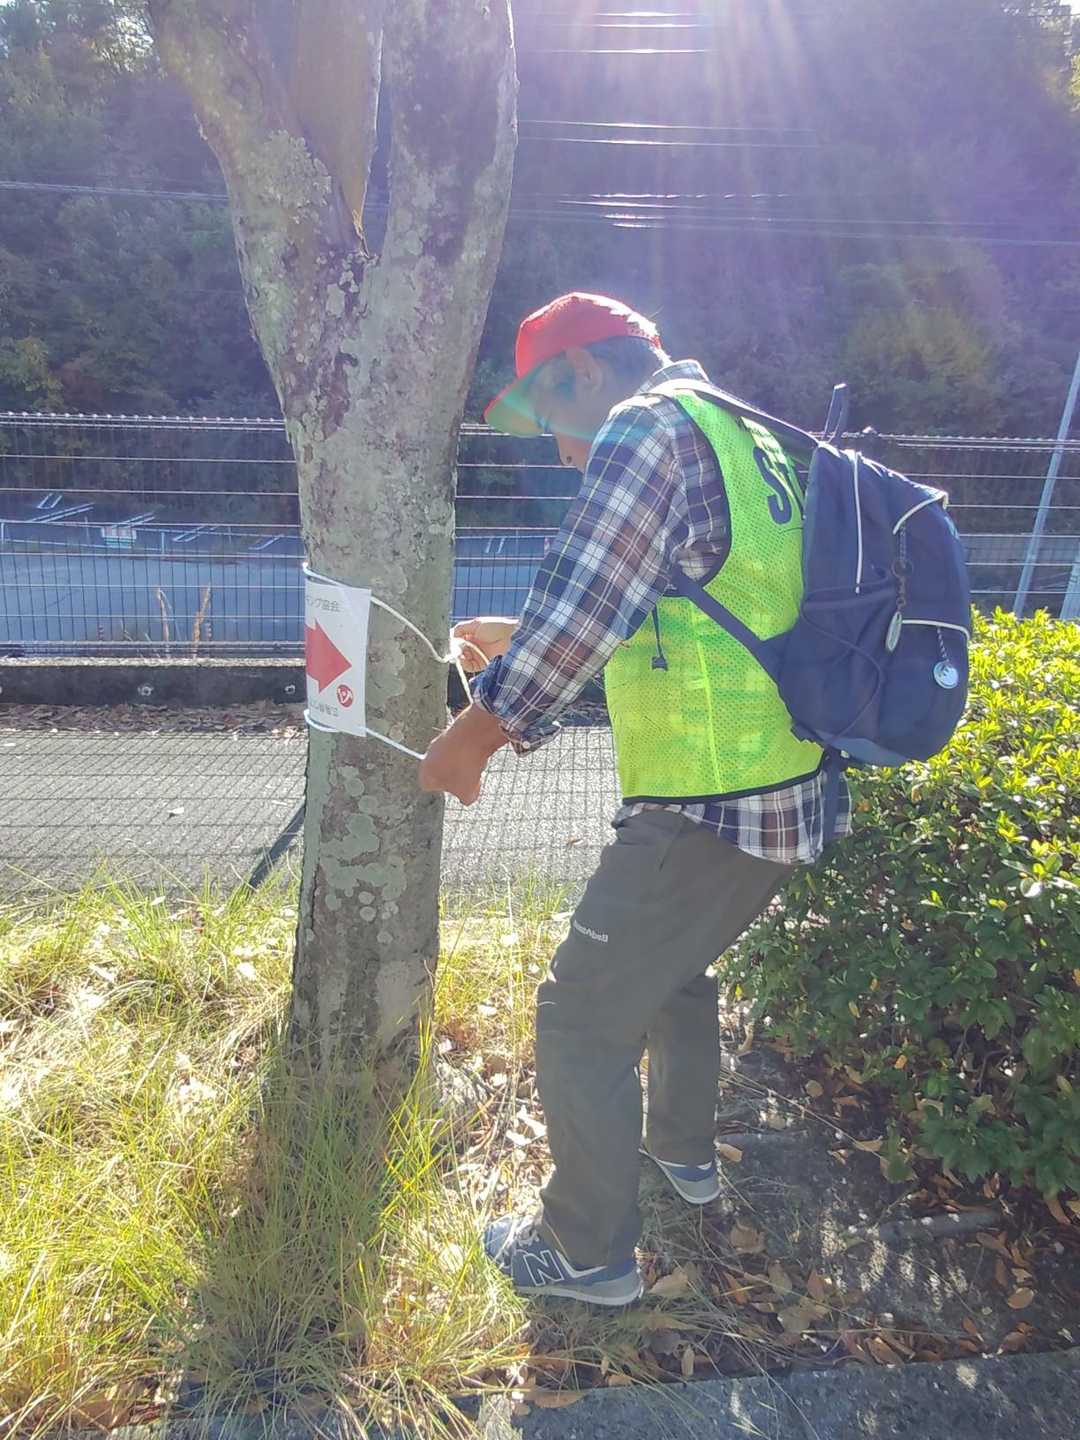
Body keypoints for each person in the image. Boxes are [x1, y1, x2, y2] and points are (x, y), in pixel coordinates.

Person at [419, 292, 850, 1307]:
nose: (559, 450)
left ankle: (587, 1253)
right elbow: (688, 604)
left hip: (708, 806)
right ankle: (683, 1156)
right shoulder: (739, 430)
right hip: (785, 786)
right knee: (673, 971)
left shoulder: (641, 429)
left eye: (548, 417)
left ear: (582, 373)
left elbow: (584, 605)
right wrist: (519, 639)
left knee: (580, 1015)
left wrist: (471, 738)